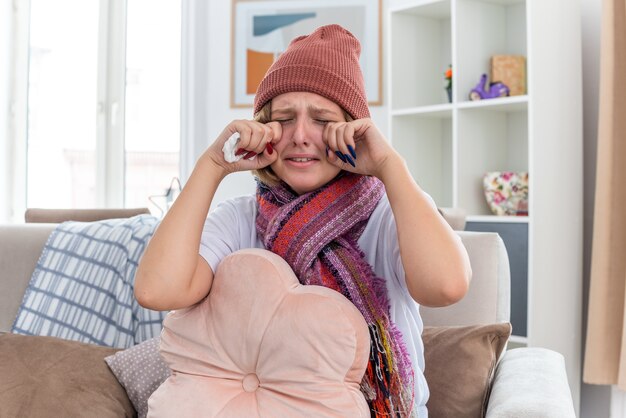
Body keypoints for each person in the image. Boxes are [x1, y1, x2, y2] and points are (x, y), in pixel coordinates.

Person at [135, 24, 471, 417]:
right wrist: (212, 165)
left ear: (352, 129)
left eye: (323, 119)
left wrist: (389, 165)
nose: (301, 135)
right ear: (263, 127)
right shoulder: (241, 220)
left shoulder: (391, 213)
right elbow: (157, 291)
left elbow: (446, 287)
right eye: (284, 118)